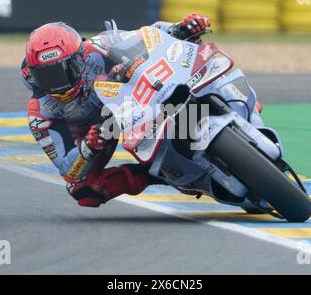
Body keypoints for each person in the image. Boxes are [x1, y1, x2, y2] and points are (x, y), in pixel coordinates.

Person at [21, 14, 211, 207]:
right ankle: (162, 174)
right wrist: (87, 147)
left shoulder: (99, 47)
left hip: (130, 99)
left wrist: (180, 28)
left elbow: (148, 34)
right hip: (99, 132)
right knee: (82, 189)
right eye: (47, 77)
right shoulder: (40, 112)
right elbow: (67, 169)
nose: (59, 84)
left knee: (186, 68)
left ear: (80, 57)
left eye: (65, 70)